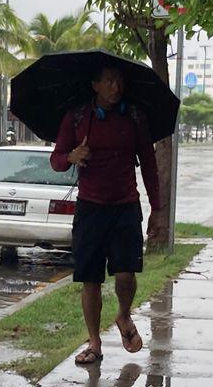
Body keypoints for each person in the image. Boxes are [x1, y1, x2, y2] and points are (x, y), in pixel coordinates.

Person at [51, 63, 164, 365]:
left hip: (126, 206)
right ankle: (94, 342)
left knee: (126, 273)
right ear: (95, 85)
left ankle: (123, 315)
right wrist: (72, 156)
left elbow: (150, 165)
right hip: (90, 208)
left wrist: (157, 209)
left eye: (120, 81)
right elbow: (56, 160)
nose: (116, 87)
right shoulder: (76, 117)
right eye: (110, 81)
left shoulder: (135, 117)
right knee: (90, 279)